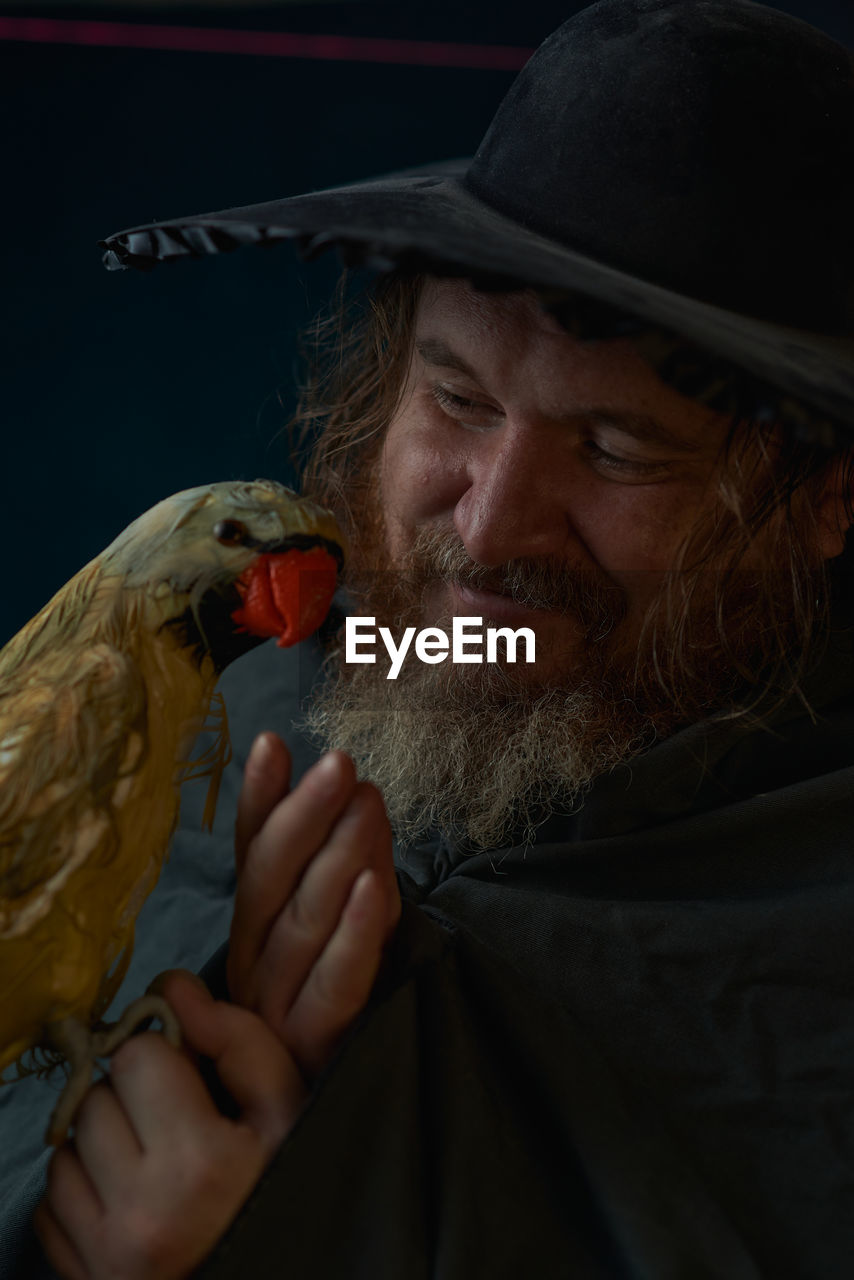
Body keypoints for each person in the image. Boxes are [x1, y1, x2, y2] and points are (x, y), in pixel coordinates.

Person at [20, 0, 854, 1275]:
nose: (490, 522)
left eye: (615, 450)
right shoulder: (238, 693)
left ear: (819, 501)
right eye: (455, 397)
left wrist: (297, 1224)